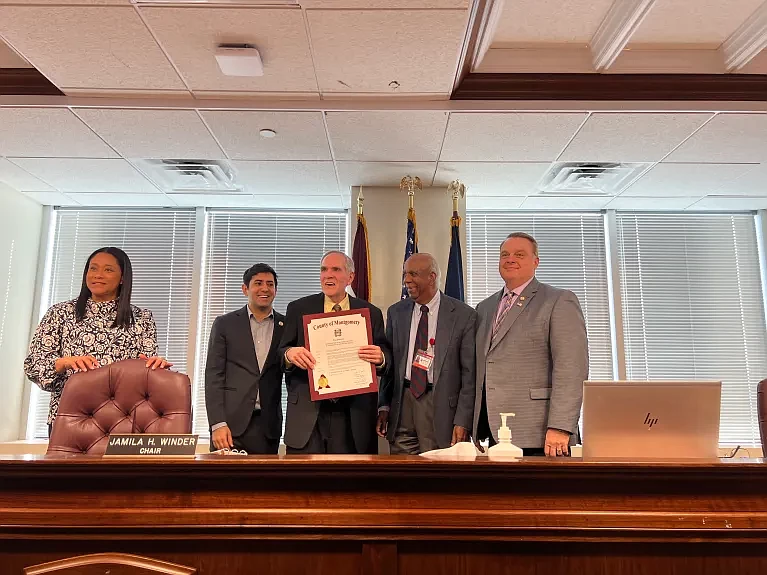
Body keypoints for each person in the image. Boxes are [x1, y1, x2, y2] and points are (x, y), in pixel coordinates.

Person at [24, 247, 171, 434]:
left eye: (108, 270)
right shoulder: (60, 313)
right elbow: (33, 365)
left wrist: (156, 366)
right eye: (93, 268)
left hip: (124, 420)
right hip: (71, 417)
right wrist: (63, 363)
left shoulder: (142, 318)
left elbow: (146, 374)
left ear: (123, 278)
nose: (98, 275)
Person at [473, 232, 588, 457]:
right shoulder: (484, 308)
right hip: (494, 431)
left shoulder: (558, 300)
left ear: (536, 261)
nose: (510, 259)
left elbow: (571, 369)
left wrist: (561, 425)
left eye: (519, 254)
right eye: (504, 254)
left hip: (542, 433)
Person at [278, 251, 391, 454]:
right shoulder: (298, 308)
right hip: (308, 416)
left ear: (351, 277)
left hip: (352, 417)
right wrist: (289, 354)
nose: (328, 275)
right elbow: (280, 354)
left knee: (348, 484)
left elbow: (386, 357)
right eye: (324, 269)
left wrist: (381, 358)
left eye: (336, 269)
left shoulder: (370, 313)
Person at [377, 253, 477, 454]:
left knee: (437, 475)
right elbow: (392, 364)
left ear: (432, 277)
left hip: (440, 406)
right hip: (402, 403)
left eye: (413, 274)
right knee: (403, 475)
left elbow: (469, 375)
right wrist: (384, 406)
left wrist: (463, 420)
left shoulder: (463, 315)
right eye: (405, 274)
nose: (406, 280)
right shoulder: (396, 312)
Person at [205, 263, 285, 454]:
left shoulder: (286, 325)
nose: (265, 288)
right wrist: (217, 423)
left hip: (267, 427)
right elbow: (213, 375)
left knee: (263, 484)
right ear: (245, 289)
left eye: (270, 284)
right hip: (229, 426)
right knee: (224, 484)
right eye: (258, 283)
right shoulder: (225, 324)